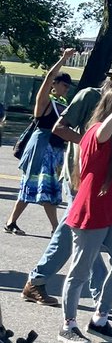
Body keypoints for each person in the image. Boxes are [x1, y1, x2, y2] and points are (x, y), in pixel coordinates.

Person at [20, 61, 112, 307]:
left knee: (82, 231)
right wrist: (91, 143)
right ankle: (46, 282)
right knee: (79, 229)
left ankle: (45, 282)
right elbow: (59, 128)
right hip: (81, 173)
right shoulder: (90, 96)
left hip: (103, 177)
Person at [58, 87, 112, 343]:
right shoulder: (96, 132)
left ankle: (100, 318)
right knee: (80, 271)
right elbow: (105, 129)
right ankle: (68, 325)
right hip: (91, 210)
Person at [5, 50, 75, 235]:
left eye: (68, 86)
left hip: (56, 151)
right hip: (42, 149)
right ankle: (56, 228)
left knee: (32, 186)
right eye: (64, 85)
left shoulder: (63, 104)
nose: (67, 89)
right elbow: (50, 76)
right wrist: (63, 58)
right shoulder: (44, 101)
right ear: (54, 84)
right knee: (45, 188)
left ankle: (11, 222)